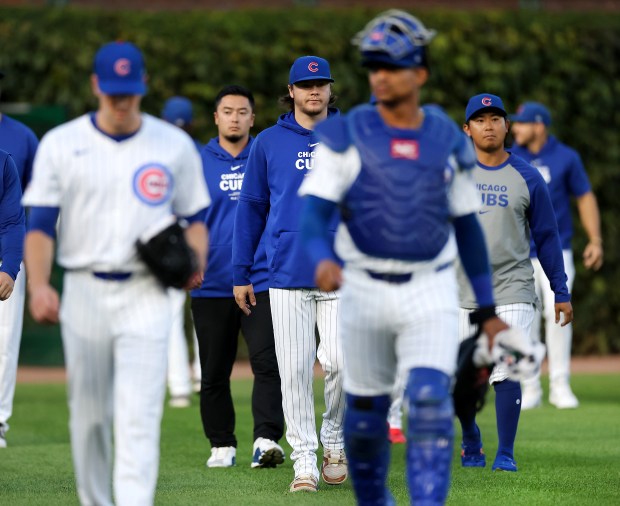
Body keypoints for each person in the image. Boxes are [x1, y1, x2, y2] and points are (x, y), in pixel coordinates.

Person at [298, 10, 510, 504]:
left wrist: (487, 309)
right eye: (374, 66)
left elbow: (467, 227)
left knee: (431, 403)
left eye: (393, 66)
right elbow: (311, 218)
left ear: (421, 73)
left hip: (429, 285)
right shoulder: (345, 134)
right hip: (363, 287)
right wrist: (319, 257)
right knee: (368, 414)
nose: (381, 76)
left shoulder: (444, 140)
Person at [22, 41, 210, 506]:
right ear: (95, 87)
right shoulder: (62, 143)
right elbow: (41, 225)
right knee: (88, 419)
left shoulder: (172, 143)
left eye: (129, 91)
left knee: (139, 415)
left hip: (147, 294)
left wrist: (195, 263)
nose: (121, 102)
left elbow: (198, 218)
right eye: (112, 93)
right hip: (85, 288)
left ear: (143, 85)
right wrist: (41, 285)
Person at [232, 56, 346, 493]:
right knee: (294, 372)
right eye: (305, 84)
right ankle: (304, 461)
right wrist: (242, 271)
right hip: (284, 275)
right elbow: (252, 208)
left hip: (341, 275)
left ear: (330, 89)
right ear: (291, 90)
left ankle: (334, 438)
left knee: (342, 363)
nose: (314, 91)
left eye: (321, 84)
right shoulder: (267, 142)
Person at [458, 93, 573, 472]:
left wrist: (560, 290)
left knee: (506, 368)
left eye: (495, 118)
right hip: (460, 292)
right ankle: (471, 436)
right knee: (459, 378)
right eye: (480, 119)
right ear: (467, 129)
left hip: (513, 286)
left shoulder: (528, 176)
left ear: (508, 126)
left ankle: (505, 452)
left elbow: (548, 235)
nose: (488, 125)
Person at [191, 85, 285, 469]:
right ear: (216, 117)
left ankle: (265, 440)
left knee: (268, 364)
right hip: (210, 283)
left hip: (261, 279)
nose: (234, 117)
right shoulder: (196, 160)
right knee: (214, 370)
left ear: (252, 116)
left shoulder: (264, 155)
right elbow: (185, 216)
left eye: (242, 111)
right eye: (227, 111)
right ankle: (221, 445)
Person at [510, 102, 602, 409]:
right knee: (525, 318)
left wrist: (595, 239)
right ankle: (529, 387)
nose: (515, 128)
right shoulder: (511, 156)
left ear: (539, 125)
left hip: (556, 251)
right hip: (520, 254)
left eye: (521, 123)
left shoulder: (566, 157)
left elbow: (585, 197)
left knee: (558, 315)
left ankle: (560, 385)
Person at [0, 70, 38, 447]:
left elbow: (21, 212)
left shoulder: (19, 141)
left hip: (6, 256)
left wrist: (11, 264)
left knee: (4, 341)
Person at [161, 95, 203, 408]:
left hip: (176, 240)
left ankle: (180, 386)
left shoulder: (156, 154)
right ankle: (201, 377)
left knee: (176, 313)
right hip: (192, 238)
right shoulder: (200, 152)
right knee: (196, 310)